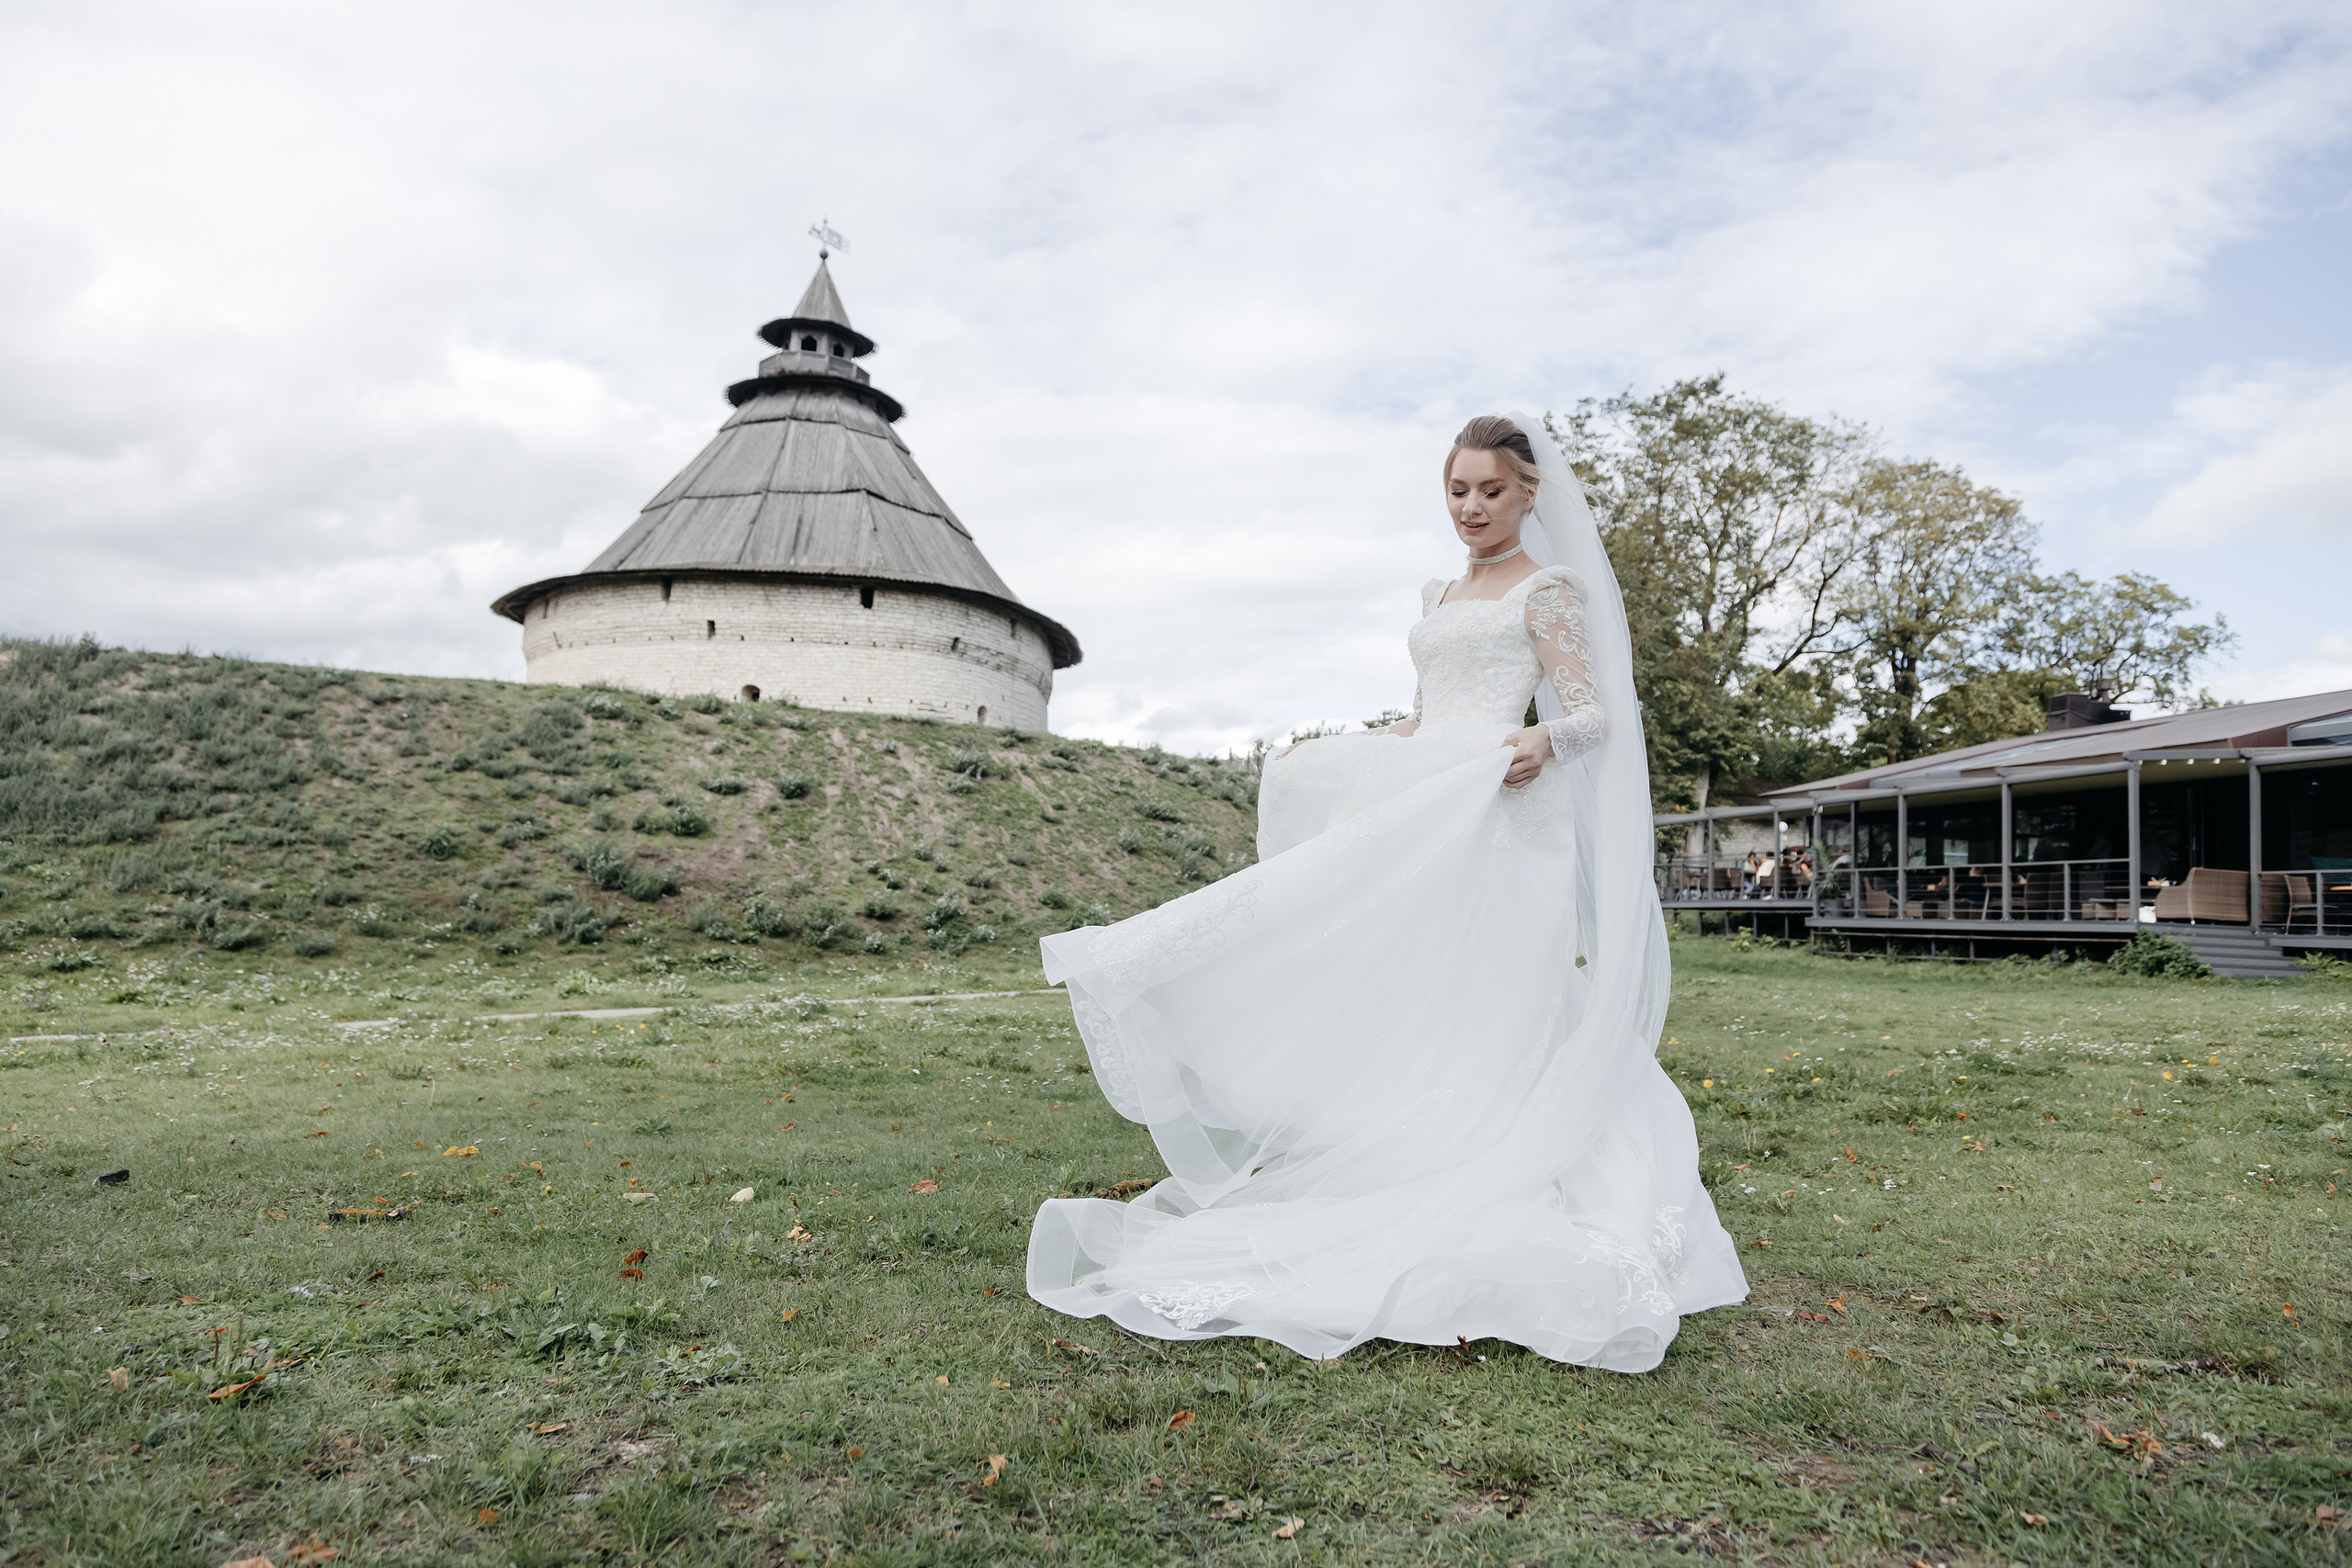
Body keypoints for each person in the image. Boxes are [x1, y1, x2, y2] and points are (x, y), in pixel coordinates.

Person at [1027, 415, 1747, 1372]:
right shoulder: (1438, 592)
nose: (1470, 508)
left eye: (1489, 491)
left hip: (1500, 803)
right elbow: (1421, 718)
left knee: (1493, 989)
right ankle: (1406, 1139)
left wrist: (1547, 739)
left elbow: (1594, 707)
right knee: (1404, 977)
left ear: (1529, 494)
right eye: (1456, 491)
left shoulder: (1550, 590)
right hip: (1430, 793)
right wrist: (1339, 755)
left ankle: (1494, 1156)